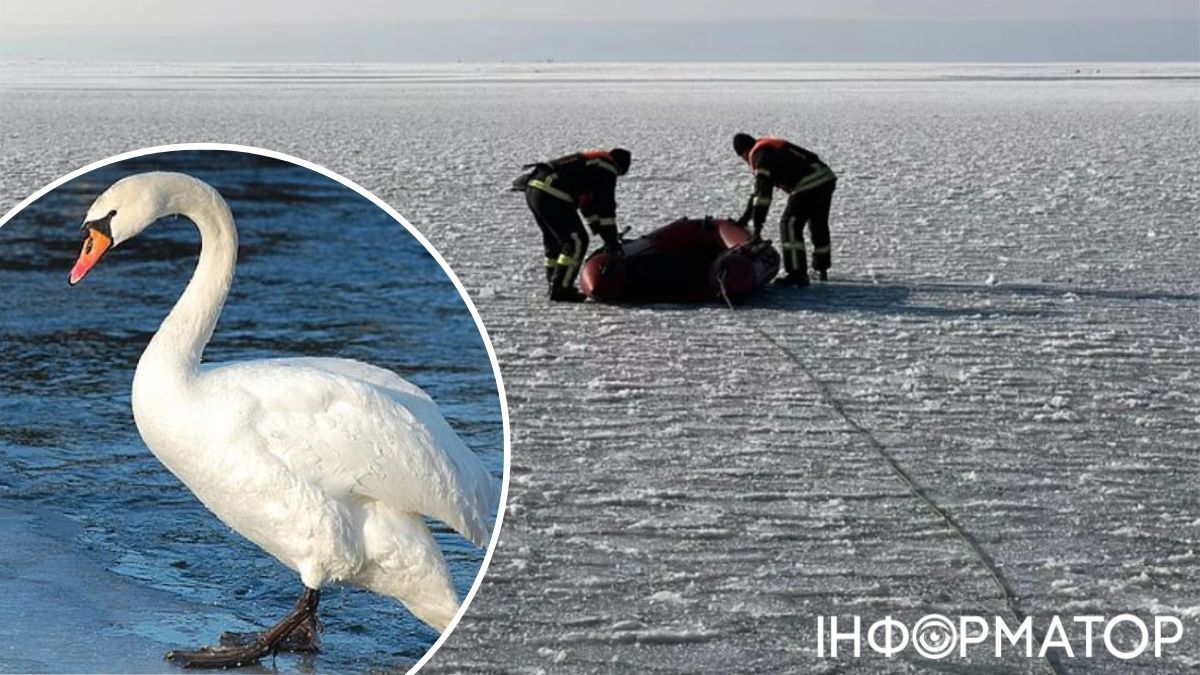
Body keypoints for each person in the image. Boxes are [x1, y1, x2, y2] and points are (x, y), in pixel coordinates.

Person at [514, 148, 631, 302]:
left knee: (554, 241)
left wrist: (601, 233)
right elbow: (605, 209)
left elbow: (588, 205)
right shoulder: (607, 167)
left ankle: (554, 282)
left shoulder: (592, 163)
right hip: (552, 194)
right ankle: (562, 289)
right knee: (577, 241)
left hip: (535, 189)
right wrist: (611, 242)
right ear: (620, 167)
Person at [733, 133, 837, 286]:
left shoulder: (760, 155)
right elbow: (758, 192)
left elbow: (762, 196)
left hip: (808, 183)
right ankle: (821, 269)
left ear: (743, 152)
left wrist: (757, 228)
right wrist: (745, 218)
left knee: (789, 224)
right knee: (818, 224)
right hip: (825, 177)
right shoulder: (766, 148)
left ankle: (797, 274)